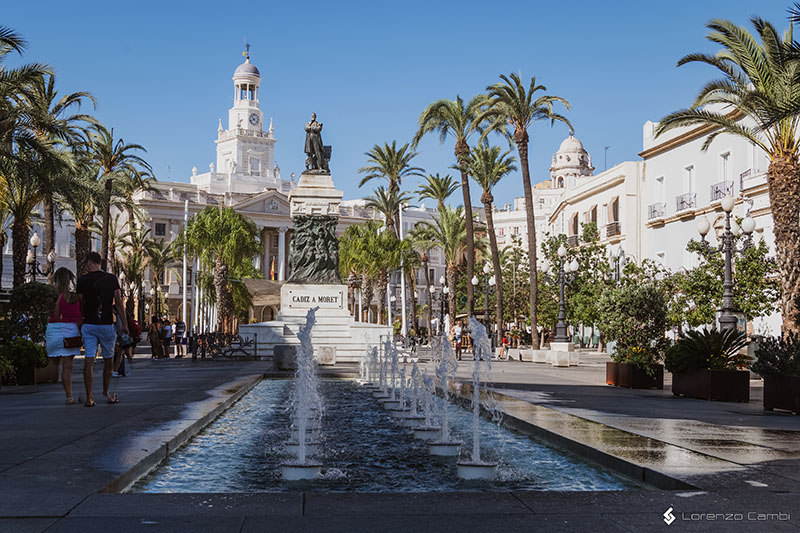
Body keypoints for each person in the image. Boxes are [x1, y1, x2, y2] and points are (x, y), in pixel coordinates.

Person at [76, 252, 127, 406]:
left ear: (91, 263)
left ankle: (90, 397)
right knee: (108, 360)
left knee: (89, 360)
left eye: (87, 263)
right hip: (106, 325)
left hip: (89, 325)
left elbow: (80, 304)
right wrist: (124, 324)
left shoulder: (82, 280)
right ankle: (107, 394)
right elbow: (118, 303)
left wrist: (79, 324)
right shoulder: (111, 279)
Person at [45, 267, 82, 404]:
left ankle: (69, 395)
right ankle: (69, 396)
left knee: (57, 363)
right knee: (68, 366)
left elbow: (55, 315)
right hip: (70, 330)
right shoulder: (76, 297)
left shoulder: (54, 297)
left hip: (54, 330)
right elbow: (78, 318)